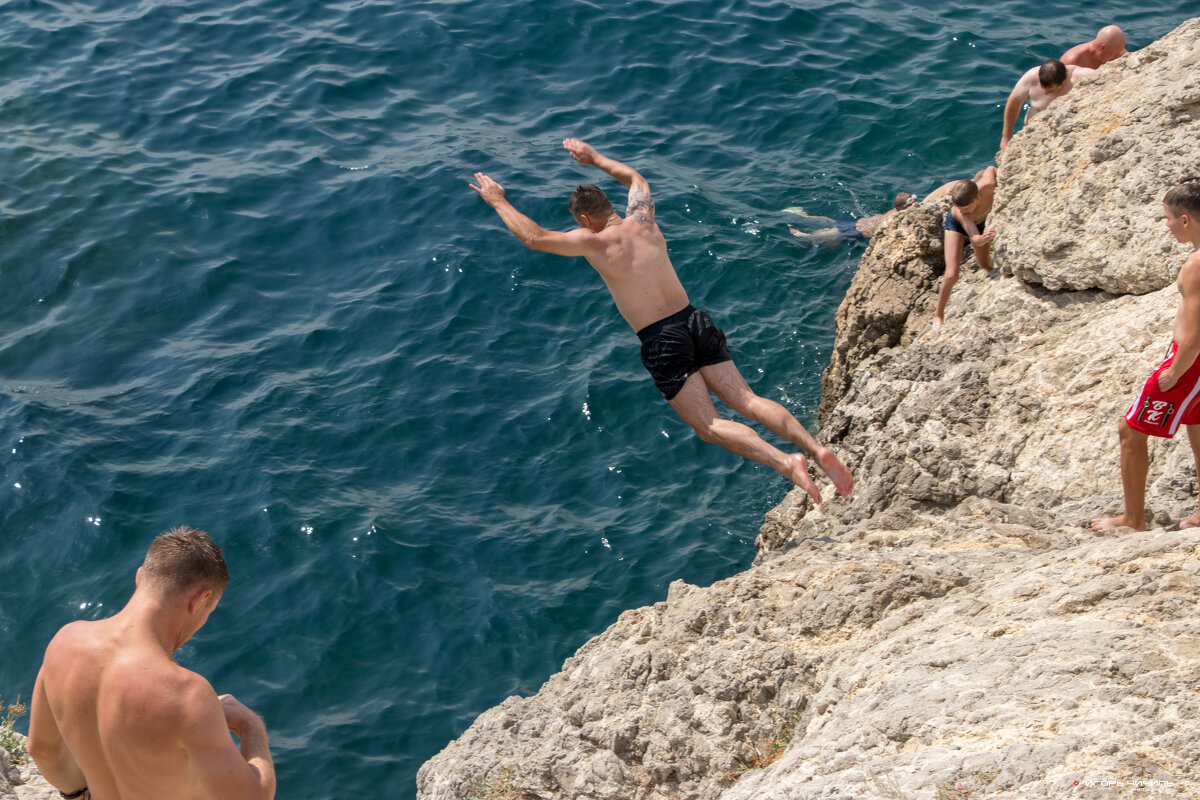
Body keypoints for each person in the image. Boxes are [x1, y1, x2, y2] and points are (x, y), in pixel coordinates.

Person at [470, 139, 853, 502]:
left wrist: (497, 200)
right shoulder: (644, 218)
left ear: (585, 219)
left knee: (710, 425)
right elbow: (636, 179)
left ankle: (787, 463)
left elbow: (534, 238)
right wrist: (594, 157)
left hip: (662, 338)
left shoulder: (595, 242)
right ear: (610, 206)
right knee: (749, 400)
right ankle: (816, 449)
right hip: (694, 320)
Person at [28, 527, 275, 800]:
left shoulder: (64, 642)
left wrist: (79, 794)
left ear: (139, 577)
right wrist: (252, 726)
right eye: (210, 610)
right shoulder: (188, 696)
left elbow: (41, 750)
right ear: (200, 599)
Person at [1093, 183, 1200, 532]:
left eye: (1167, 218)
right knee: (1197, 429)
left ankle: (1133, 519)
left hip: (1189, 362)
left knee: (1130, 430)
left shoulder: (1196, 265)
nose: (1165, 225)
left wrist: (1175, 371)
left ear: (1186, 220)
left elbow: (1196, 335)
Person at [930, 167, 998, 330]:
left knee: (986, 265)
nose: (963, 211)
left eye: (966, 208)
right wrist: (982, 239)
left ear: (978, 198)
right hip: (956, 226)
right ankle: (938, 314)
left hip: (980, 222)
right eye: (959, 208)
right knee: (952, 274)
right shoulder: (961, 213)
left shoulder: (988, 184)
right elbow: (973, 237)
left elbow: (991, 169)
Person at [1000, 59, 1095, 149]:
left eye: (1052, 90)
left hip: (1065, 141)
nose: (1046, 93)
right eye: (1044, 88)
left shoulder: (1083, 77)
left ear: (1063, 82)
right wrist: (1006, 136)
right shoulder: (1032, 76)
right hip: (1030, 139)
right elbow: (1014, 102)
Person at [789, 193, 918, 247]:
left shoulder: (894, 211)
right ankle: (803, 235)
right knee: (827, 235)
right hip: (857, 231)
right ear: (906, 207)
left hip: (857, 222)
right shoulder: (896, 217)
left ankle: (804, 216)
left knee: (832, 223)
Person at [1061, 25, 1127, 69]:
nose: (1118, 56)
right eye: (1113, 54)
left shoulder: (1119, 52)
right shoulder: (1072, 60)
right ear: (1102, 47)